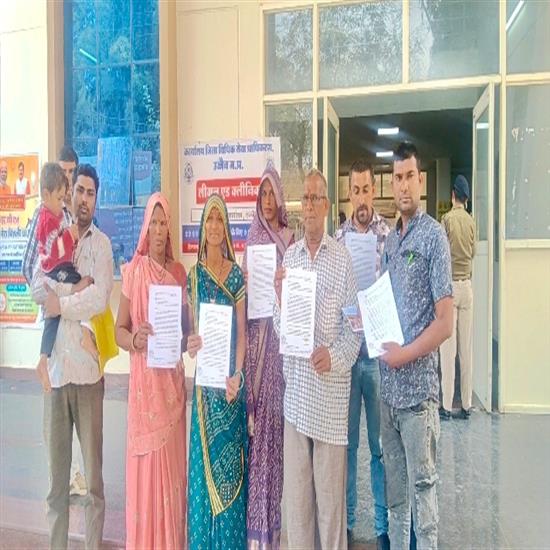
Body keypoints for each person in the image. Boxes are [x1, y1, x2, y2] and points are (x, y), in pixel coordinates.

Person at [273, 168, 361, 550]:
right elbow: (280, 328)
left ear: (326, 206)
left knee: (330, 511)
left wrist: (334, 355)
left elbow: (355, 331)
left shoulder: (342, 261)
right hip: (297, 399)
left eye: (315, 199)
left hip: (329, 402)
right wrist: (280, 301)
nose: (309, 206)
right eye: (304, 199)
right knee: (298, 509)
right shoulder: (290, 260)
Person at [32, 163, 113, 550]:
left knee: (93, 484)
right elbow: (36, 285)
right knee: (56, 485)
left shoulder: (102, 246)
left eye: (90, 193)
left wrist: (60, 303)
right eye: (78, 190)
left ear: (96, 199)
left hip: (88, 377)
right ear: (69, 193)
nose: (83, 199)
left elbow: (98, 298)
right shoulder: (53, 232)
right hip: (56, 375)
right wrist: (69, 294)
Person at [379, 142, 453, 550]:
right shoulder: (391, 241)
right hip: (388, 396)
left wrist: (403, 355)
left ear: (420, 180)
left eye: (410, 176)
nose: (403, 185)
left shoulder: (434, 237)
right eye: (397, 178)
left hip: (418, 397)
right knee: (396, 499)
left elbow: (445, 323)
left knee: (423, 496)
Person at [115, 192, 188, 549]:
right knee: (147, 480)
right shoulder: (134, 272)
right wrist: (135, 340)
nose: (158, 230)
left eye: (163, 223)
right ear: (146, 226)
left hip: (171, 392)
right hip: (145, 399)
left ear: (169, 228)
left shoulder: (178, 273)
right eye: (153, 223)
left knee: (171, 478)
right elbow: (119, 330)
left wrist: (186, 339)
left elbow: (186, 331)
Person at [186, 194, 247, 549]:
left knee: (230, 473)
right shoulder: (193, 278)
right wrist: (191, 344)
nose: (213, 226)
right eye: (208, 219)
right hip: (204, 393)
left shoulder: (236, 276)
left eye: (219, 220)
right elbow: (190, 335)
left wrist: (237, 376)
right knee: (202, 478)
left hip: (228, 389)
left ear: (225, 228)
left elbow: (242, 335)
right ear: (202, 227)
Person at [335, 159, 390, 549]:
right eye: (355, 190)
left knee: (380, 446)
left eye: (366, 189)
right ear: (349, 194)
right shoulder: (337, 240)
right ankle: (349, 522)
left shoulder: (388, 236)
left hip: (378, 356)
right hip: (348, 355)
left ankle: (383, 523)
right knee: (349, 446)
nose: (361, 197)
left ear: (374, 190)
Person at [243, 166, 294, 549]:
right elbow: (244, 301)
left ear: (280, 197)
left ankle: (280, 527)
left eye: (271, 193)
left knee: (281, 436)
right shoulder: (252, 239)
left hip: (284, 346)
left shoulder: (291, 241)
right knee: (259, 434)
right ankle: (257, 531)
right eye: (262, 194)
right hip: (258, 347)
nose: (267, 200)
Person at [34, 163, 96, 392]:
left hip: (56, 271)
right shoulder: (46, 219)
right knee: (81, 284)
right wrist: (70, 237)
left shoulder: (57, 215)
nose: (62, 203)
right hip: (55, 269)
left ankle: (44, 357)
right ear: (46, 194)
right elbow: (53, 250)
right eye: (59, 198)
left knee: (53, 315)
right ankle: (83, 332)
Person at [439, 175, 476, 420]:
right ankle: (467, 404)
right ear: (466, 198)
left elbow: (442, 254)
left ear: (453, 195)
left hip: (451, 287)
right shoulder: (471, 222)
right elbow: (473, 252)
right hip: (467, 287)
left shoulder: (447, 220)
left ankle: (446, 405)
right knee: (466, 349)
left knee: (448, 350)